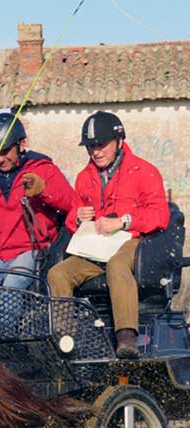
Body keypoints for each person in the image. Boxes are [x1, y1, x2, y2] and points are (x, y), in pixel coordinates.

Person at [47, 111, 170, 359]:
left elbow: (160, 215)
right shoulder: (84, 178)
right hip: (96, 247)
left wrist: (123, 221)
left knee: (117, 265)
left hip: (134, 241)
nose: (96, 151)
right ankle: (65, 339)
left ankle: (126, 337)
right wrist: (77, 217)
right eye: (90, 146)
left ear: (119, 141)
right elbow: (71, 220)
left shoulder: (144, 171)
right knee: (57, 273)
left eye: (101, 144)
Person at [0, 113, 74, 290]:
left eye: (5, 151)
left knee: (11, 287)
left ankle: (10, 311)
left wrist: (43, 190)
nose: (0, 159)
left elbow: (71, 202)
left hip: (30, 250)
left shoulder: (42, 168)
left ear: (21, 144)